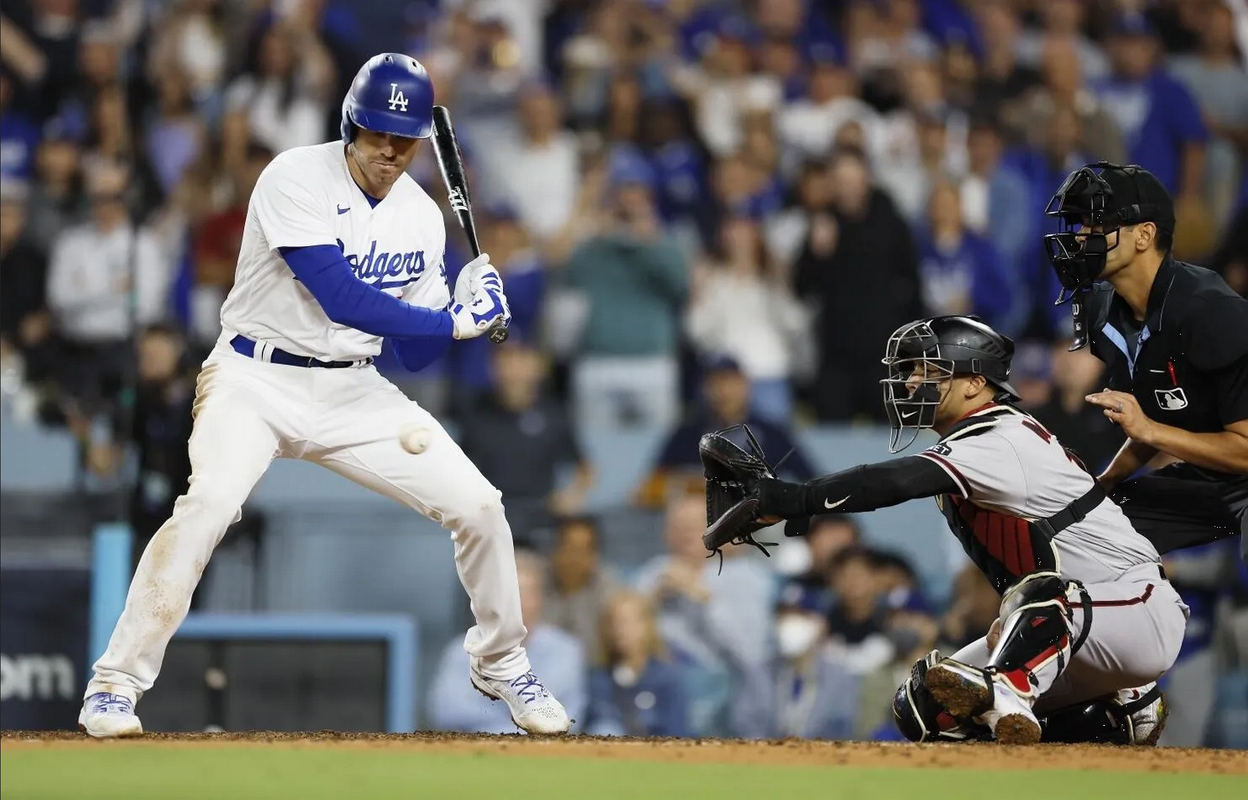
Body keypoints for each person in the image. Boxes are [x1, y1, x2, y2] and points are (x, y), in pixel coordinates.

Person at [77, 53, 571, 738]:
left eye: (405, 139)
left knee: (481, 507)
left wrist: (465, 305)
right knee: (209, 505)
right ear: (351, 126)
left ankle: (500, 659)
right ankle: (115, 685)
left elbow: (414, 349)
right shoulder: (294, 177)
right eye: (378, 134)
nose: (392, 150)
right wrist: (455, 320)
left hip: (352, 391)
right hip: (254, 377)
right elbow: (340, 298)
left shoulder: (423, 218)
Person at [700, 315, 1182, 745]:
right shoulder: (973, 444)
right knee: (925, 708)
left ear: (974, 383)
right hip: (1070, 625)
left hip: (1136, 608)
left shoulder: (1002, 436)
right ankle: (1115, 716)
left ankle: (1019, 692)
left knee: (1036, 598)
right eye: (909, 370)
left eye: (926, 370)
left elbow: (896, 479)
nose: (910, 382)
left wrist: (791, 499)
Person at [1042, 161, 1248, 560]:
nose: (1083, 238)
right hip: (1213, 475)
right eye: (1082, 226)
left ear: (1144, 235)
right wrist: (1100, 486)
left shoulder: (1207, 310)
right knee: (1083, 541)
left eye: (1097, 225)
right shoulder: (1104, 314)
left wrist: (1151, 431)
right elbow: (1150, 416)